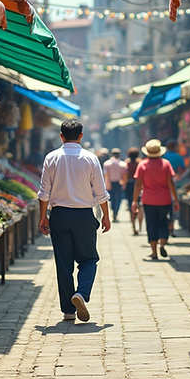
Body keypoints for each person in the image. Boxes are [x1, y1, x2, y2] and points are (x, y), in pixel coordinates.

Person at [37, 119, 111, 322]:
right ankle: (82, 293)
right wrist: (106, 215)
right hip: (84, 215)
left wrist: (44, 216)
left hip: (59, 216)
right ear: (81, 136)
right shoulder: (90, 158)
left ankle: (68, 310)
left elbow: (44, 193)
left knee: (63, 263)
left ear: (61, 136)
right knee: (88, 259)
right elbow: (100, 192)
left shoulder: (51, 158)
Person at [131, 140, 180, 260]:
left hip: (148, 200)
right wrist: (176, 199)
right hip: (165, 199)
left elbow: (138, 184)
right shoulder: (166, 164)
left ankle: (154, 253)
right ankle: (162, 244)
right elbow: (171, 183)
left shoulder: (142, 165)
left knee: (151, 224)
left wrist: (134, 201)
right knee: (163, 221)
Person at [163, 138, 186, 235]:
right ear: (174, 146)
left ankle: (164, 227)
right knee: (171, 207)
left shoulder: (163, 156)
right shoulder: (178, 157)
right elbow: (181, 170)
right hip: (173, 182)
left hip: (160, 184)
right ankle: (171, 227)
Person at [101, 148, 127, 222]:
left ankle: (113, 211)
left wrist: (107, 183)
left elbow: (106, 175)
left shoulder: (107, 163)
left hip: (110, 182)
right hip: (119, 183)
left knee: (112, 199)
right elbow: (124, 175)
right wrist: (124, 183)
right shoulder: (122, 164)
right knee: (118, 199)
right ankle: (116, 212)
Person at [123, 147, 142, 234]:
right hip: (139, 184)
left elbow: (125, 175)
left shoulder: (127, 163)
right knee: (140, 205)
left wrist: (124, 183)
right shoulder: (140, 163)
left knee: (131, 204)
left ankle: (134, 226)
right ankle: (140, 226)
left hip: (129, 184)